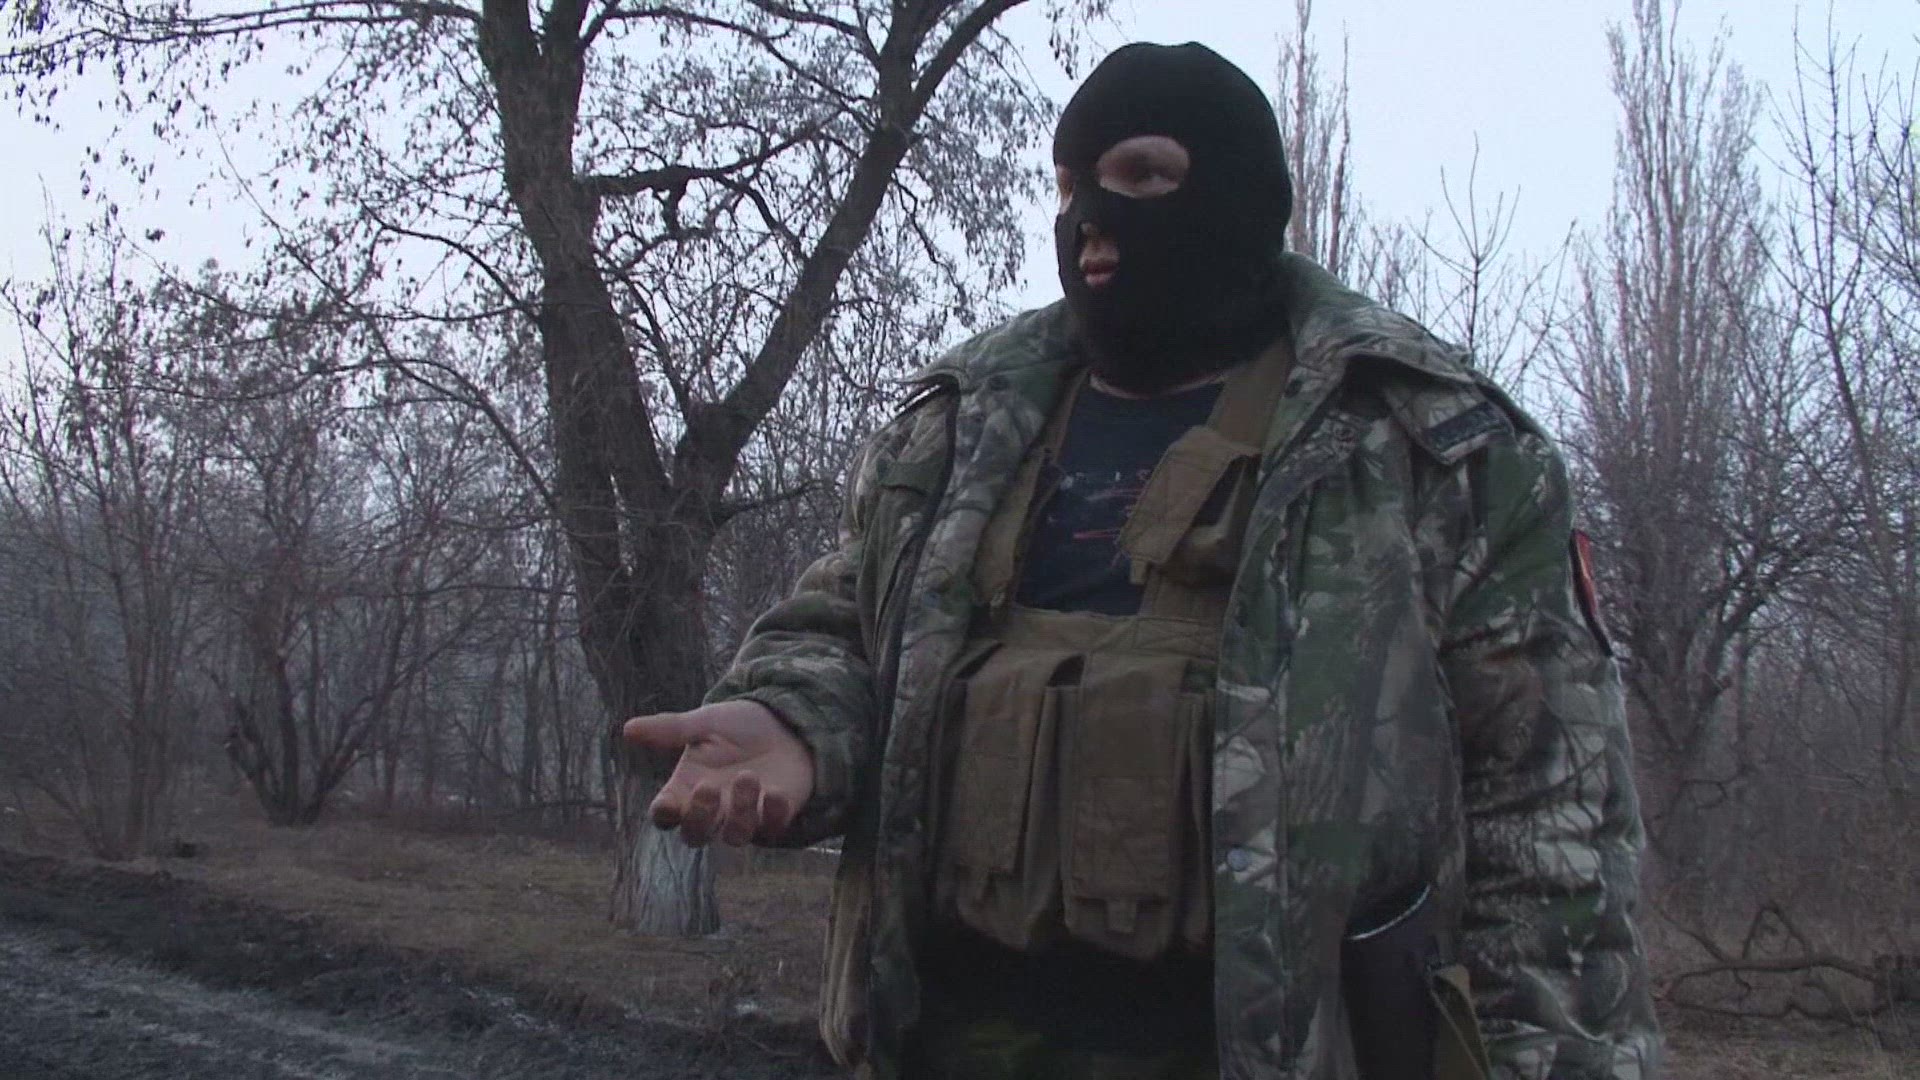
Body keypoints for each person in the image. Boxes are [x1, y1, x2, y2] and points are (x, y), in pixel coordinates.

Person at [625, 42, 1659, 1080]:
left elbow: (1553, 829)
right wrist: (794, 723)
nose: (1089, 219)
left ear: (1240, 193)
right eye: (1068, 186)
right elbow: (851, 631)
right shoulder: (963, 426)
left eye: (1143, 175)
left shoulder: (1432, 448)